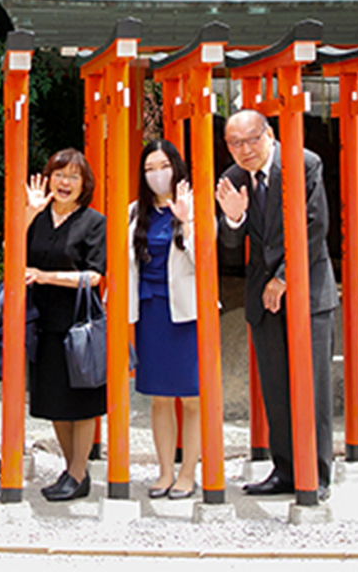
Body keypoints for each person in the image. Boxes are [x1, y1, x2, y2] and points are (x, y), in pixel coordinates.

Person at [216, 109, 337, 501]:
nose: (244, 150)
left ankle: (316, 473)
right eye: (235, 143)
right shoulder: (233, 179)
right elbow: (230, 247)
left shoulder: (303, 163)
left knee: (311, 385)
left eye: (251, 139)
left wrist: (284, 278)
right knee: (275, 386)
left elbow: (315, 226)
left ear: (269, 133)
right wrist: (232, 220)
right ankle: (284, 468)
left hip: (307, 288)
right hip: (262, 297)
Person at [23, 148, 106, 502]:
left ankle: (77, 472)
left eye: (74, 176)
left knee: (82, 401)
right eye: (59, 175)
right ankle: (72, 470)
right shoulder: (38, 219)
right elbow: (12, 253)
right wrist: (29, 212)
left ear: (85, 184)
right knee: (54, 400)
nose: (65, 182)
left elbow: (95, 275)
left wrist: (45, 277)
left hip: (78, 324)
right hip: (42, 323)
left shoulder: (93, 221)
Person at [127, 140, 200, 500]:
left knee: (191, 397)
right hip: (151, 311)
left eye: (163, 166)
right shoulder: (133, 212)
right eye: (150, 169)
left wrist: (187, 221)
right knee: (158, 397)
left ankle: (188, 472)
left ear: (177, 166)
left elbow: (207, 259)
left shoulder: (192, 205)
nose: (158, 174)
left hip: (187, 312)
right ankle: (165, 471)